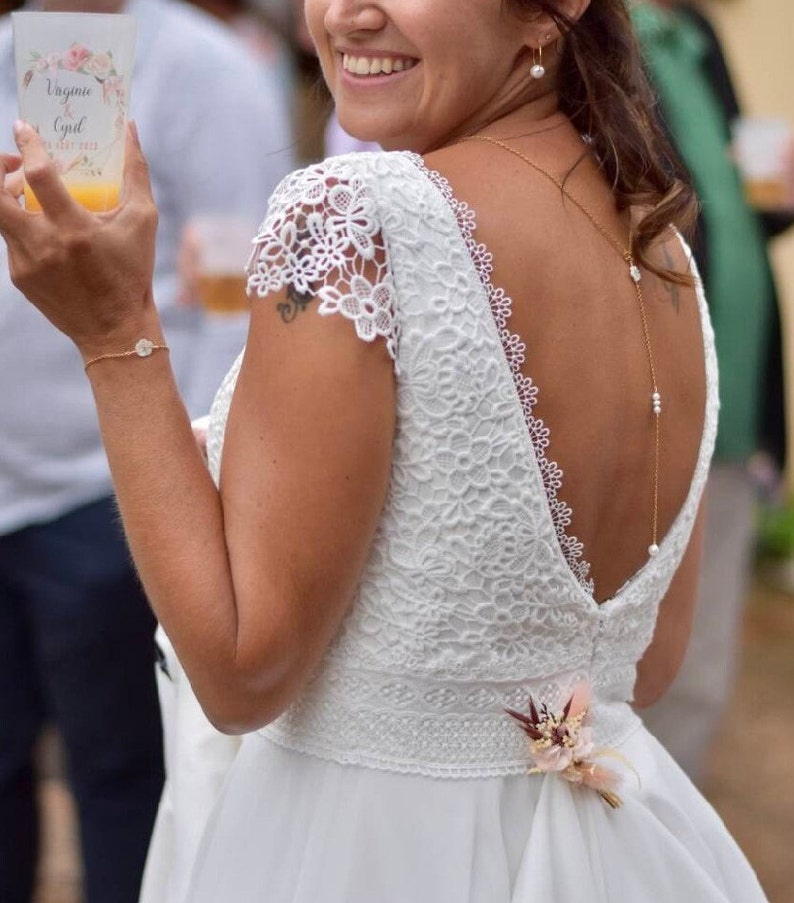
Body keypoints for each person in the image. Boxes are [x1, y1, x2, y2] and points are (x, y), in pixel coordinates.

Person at [0, 0, 770, 900]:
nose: (342, 14)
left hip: (365, 851)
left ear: (551, 12)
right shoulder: (662, 245)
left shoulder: (354, 218)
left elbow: (241, 673)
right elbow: (647, 659)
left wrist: (114, 333)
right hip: (602, 852)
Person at [0, 1, 293, 901]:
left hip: (107, 490)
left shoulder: (210, 71)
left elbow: (242, 284)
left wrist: (186, 469)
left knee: (125, 775)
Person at [630, 0, 794, 786]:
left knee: (702, 666)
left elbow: (717, 208)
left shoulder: (695, 36)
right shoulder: (600, 32)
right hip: (648, 408)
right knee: (643, 669)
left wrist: (771, 200)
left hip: (734, 402)